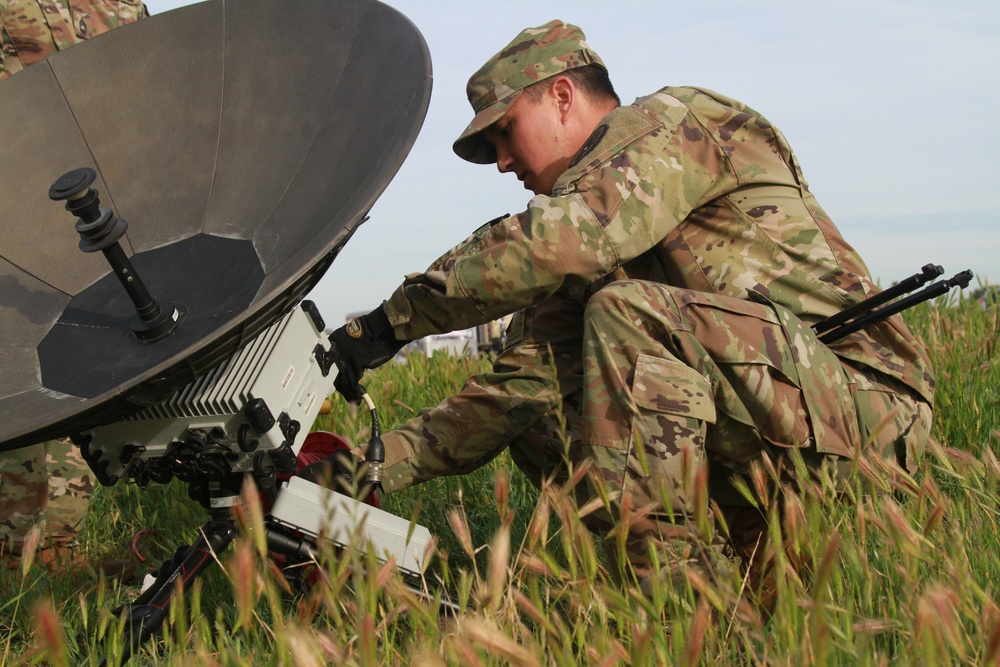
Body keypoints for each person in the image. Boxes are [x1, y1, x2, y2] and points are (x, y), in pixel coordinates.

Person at [328, 21, 935, 598]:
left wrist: (388, 325)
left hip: (866, 404)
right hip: (778, 423)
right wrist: (361, 471)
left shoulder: (674, 127)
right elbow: (515, 390)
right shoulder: (595, 240)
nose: (503, 161)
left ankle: (681, 602)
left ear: (563, 96)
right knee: (540, 424)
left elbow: (554, 241)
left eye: (505, 132)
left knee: (627, 313)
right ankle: (742, 590)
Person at [0, 0, 147, 565]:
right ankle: (24, 558)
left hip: (104, 212)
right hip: (17, 218)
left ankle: (52, 550)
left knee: (84, 367)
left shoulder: (120, 5)